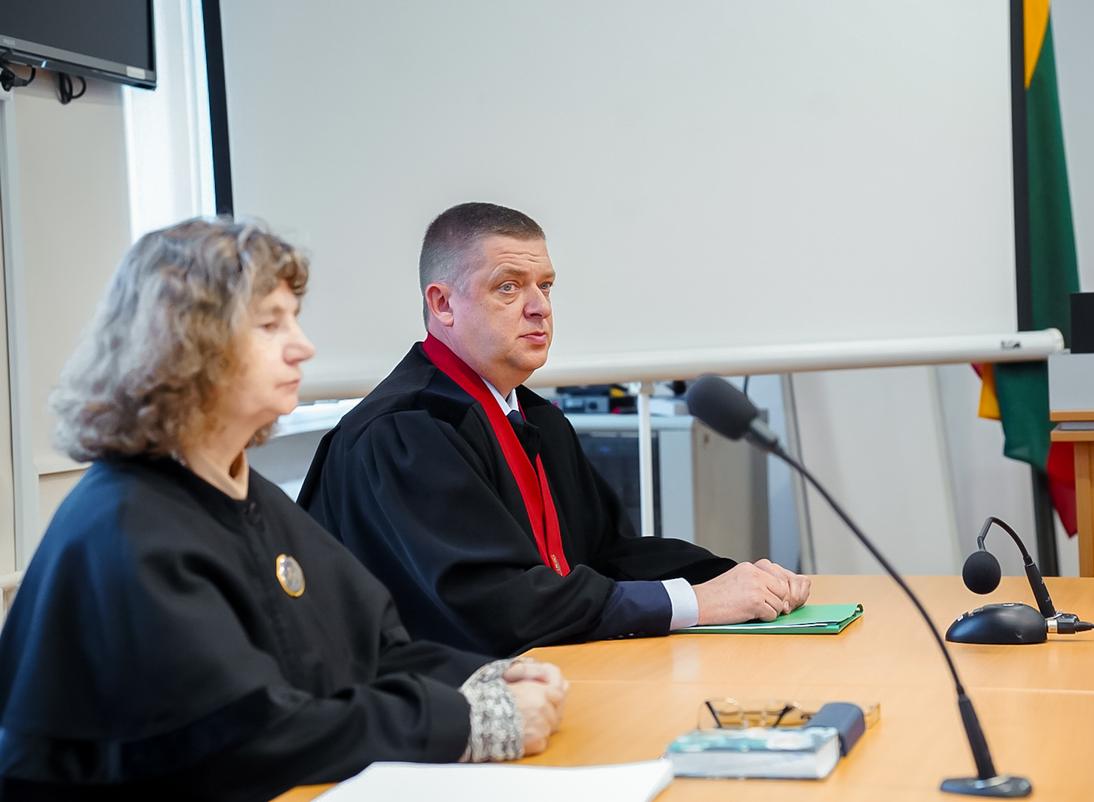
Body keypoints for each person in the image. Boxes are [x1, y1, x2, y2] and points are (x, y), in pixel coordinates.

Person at [0, 219, 566, 801]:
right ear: (185, 345)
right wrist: (470, 722)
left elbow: (371, 651)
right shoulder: (128, 528)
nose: (303, 346)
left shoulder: (244, 495)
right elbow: (246, 737)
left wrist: (485, 677)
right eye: (271, 325)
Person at [299, 202, 811, 657]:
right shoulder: (405, 432)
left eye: (544, 286)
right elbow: (498, 606)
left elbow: (606, 554)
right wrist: (695, 601)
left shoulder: (534, 416)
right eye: (508, 287)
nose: (539, 307)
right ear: (443, 304)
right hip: (434, 707)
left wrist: (731, 576)